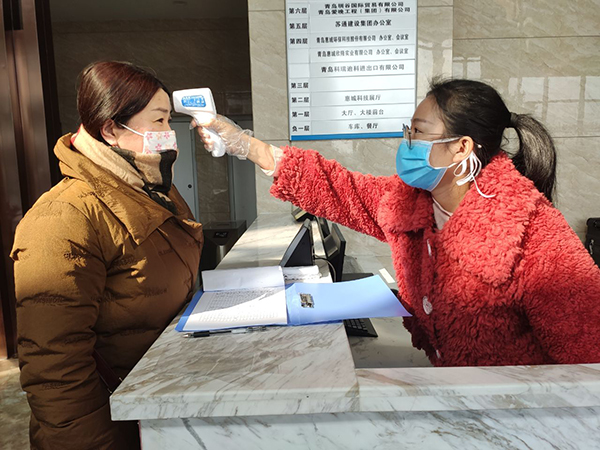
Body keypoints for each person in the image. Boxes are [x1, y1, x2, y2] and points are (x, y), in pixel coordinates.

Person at [195, 78, 600, 367]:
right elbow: (339, 188)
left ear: (461, 148)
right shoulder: (411, 204)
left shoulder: (534, 234)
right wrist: (244, 144)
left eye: (418, 133)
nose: (406, 143)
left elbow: (588, 357)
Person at [11, 61, 203, 449]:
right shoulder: (62, 216)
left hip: (155, 410)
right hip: (111, 427)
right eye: (159, 120)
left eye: (169, 120)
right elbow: (54, 365)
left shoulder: (152, 190)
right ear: (111, 129)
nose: (169, 134)